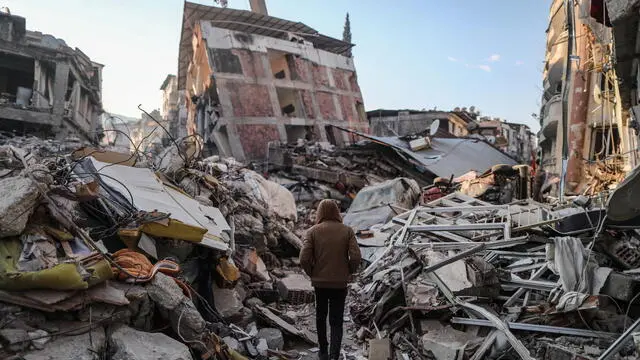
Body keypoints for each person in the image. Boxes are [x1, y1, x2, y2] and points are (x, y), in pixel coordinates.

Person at [300, 199, 362, 360]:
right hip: (339, 283)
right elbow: (356, 256)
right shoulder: (347, 231)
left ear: (320, 212)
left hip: (320, 283)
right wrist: (349, 271)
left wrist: (312, 273)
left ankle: (323, 352)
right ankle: (334, 355)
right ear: (336, 212)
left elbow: (304, 258)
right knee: (336, 319)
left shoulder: (312, 231)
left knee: (321, 317)